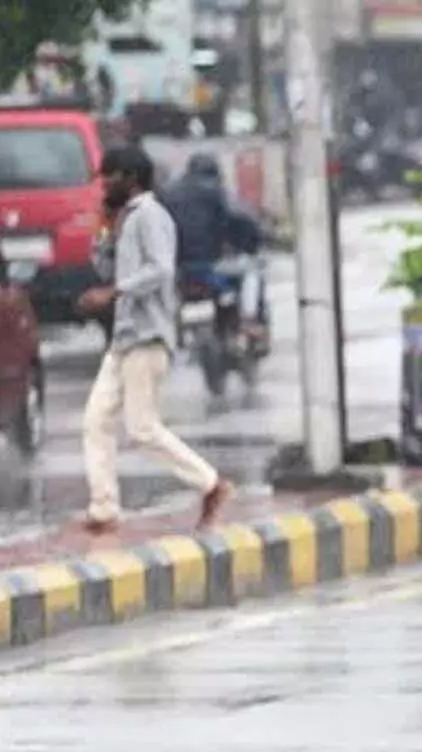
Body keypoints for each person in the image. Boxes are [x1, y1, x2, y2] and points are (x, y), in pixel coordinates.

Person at [75, 145, 233, 535]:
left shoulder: (151, 216)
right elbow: (105, 266)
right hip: (125, 338)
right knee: (96, 420)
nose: (104, 186)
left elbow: (161, 270)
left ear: (130, 177)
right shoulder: (125, 220)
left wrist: (114, 293)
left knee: (143, 429)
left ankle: (211, 484)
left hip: (148, 337)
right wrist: (103, 232)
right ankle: (104, 508)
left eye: (109, 177)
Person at [160, 152, 268, 357]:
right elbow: (239, 219)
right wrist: (253, 239)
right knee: (253, 269)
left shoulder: (168, 195)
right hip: (210, 264)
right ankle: (249, 320)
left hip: (178, 268)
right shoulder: (215, 192)